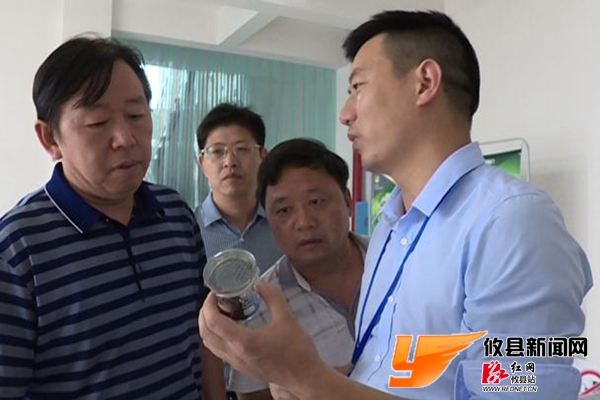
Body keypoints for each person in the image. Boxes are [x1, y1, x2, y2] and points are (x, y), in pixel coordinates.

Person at [199, 10, 593, 400]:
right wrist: (320, 381)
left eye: (358, 86)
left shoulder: (512, 221)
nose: (345, 114)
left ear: (425, 83)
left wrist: (308, 378)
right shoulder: (392, 226)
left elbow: (514, 391)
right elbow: (410, 372)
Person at [0, 37, 210, 399]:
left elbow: (206, 335)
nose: (125, 138)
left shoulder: (176, 214)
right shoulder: (17, 251)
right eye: (97, 122)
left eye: (136, 115)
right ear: (50, 138)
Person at [229, 139, 367, 400]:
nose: (304, 222)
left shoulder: (396, 261)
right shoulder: (261, 309)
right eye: (284, 210)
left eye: (315, 202)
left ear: (347, 200)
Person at [196, 103, 283, 399]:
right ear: (202, 163)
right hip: (215, 386)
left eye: (242, 149)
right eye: (217, 151)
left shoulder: (286, 227)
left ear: (263, 156)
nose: (230, 161)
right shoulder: (187, 231)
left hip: (283, 381)